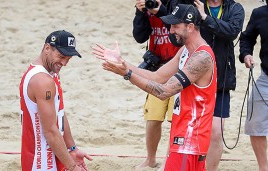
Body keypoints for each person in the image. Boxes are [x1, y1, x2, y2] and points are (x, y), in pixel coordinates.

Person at [92, 4, 217, 170]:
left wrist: (126, 74)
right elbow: (158, 77)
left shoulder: (201, 57)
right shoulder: (185, 50)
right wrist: (122, 63)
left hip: (191, 138)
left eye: (175, 26)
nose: (170, 31)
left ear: (191, 27)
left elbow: (164, 91)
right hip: (182, 134)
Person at [19, 30, 92, 171]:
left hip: (53, 154)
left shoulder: (50, 72)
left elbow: (59, 112)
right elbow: (50, 131)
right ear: (47, 48)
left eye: (68, 58)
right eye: (61, 56)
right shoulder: (42, 81)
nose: (64, 63)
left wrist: (72, 148)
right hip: (41, 162)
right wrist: (72, 167)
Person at [194, 0, 245, 170]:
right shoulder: (194, 4)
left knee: (216, 133)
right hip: (194, 78)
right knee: (191, 130)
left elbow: (232, 32)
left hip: (222, 80)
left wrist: (205, 18)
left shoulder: (235, 8)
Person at [132, 0, 180, 169]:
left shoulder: (177, 4)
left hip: (178, 70)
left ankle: (169, 160)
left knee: (176, 120)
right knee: (152, 118)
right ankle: (150, 159)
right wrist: (140, 13)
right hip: (157, 69)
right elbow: (139, 37)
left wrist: (161, 11)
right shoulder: (147, 8)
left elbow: (177, 35)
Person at [239, 1, 268, 170]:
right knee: (255, 124)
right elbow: (247, 37)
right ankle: (263, 168)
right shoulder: (259, 13)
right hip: (265, 79)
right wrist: (246, 54)